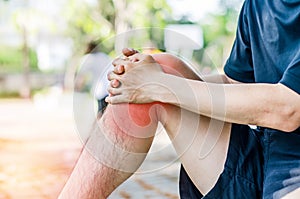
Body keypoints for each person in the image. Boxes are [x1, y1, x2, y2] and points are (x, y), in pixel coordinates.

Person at [59, 0, 300, 198]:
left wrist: (161, 85)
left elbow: (289, 109)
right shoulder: (258, 6)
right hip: (264, 157)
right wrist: (146, 76)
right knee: (161, 69)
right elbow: (233, 84)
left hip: (293, 170)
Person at [75, 41, 111, 113]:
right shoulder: (104, 56)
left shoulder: (88, 58)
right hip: (113, 88)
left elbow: (81, 77)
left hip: (102, 91)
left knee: (101, 115)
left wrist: (78, 88)